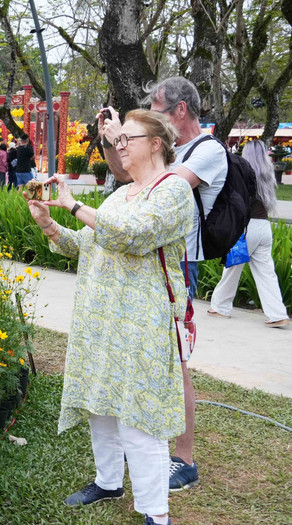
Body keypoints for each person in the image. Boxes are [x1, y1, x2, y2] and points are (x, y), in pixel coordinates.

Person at [28, 110, 193, 525]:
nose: (119, 146)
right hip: (101, 320)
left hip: (142, 322)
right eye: (117, 141)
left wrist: (74, 204)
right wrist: (47, 220)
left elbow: (133, 236)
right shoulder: (121, 194)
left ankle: (158, 517)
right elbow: (84, 244)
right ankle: (108, 481)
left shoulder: (173, 190)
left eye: (127, 139)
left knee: (139, 418)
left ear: (156, 142)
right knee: (101, 404)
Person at [99, 77, 224, 492]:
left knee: (176, 361)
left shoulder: (208, 151)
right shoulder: (165, 151)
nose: (151, 114)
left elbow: (161, 188)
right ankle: (136, 461)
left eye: (155, 108)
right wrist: (115, 144)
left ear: (180, 110)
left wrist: (129, 137)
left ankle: (183, 458)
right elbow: (130, 178)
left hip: (175, 268)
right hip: (141, 262)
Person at [208, 140, 289, 327]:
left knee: (231, 268)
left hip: (246, 228)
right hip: (264, 228)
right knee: (266, 274)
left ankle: (220, 307)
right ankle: (278, 314)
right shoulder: (268, 176)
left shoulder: (242, 173)